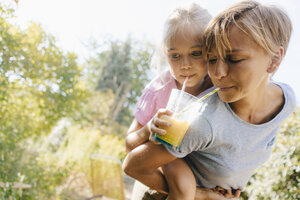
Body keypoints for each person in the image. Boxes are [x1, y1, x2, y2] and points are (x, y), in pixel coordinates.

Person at [123, 1, 297, 200]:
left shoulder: (285, 99)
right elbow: (132, 155)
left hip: (206, 177)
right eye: (213, 59)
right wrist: (199, 193)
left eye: (197, 54)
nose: (218, 73)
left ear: (275, 59)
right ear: (166, 53)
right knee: (183, 183)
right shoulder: (193, 111)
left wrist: (233, 178)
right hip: (166, 168)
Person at [124, 3, 226, 200]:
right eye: (175, 56)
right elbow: (129, 145)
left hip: (202, 179)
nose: (185, 65)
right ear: (165, 53)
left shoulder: (219, 89)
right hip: (155, 179)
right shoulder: (159, 88)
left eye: (196, 53)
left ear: (211, 50)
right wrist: (148, 129)